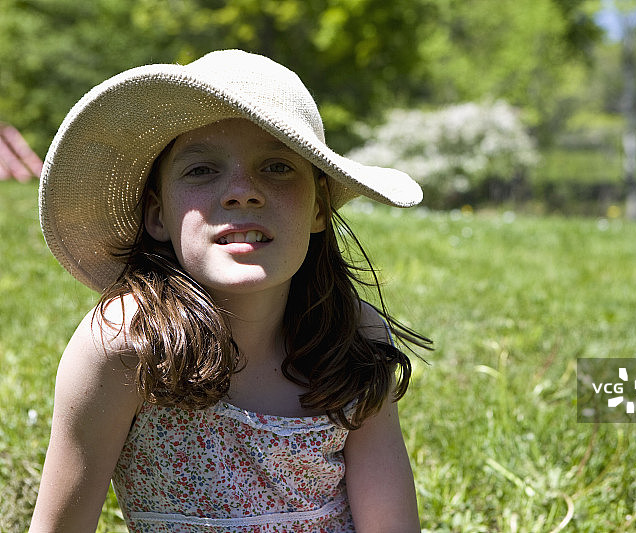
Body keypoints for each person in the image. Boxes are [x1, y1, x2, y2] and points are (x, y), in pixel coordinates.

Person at [30, 49, 431, 532]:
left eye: (278, 167)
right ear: (157, 215)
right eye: (201, 170)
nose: (242, 191)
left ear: (319, 209)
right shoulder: (124, 346)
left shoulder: (353, 338)